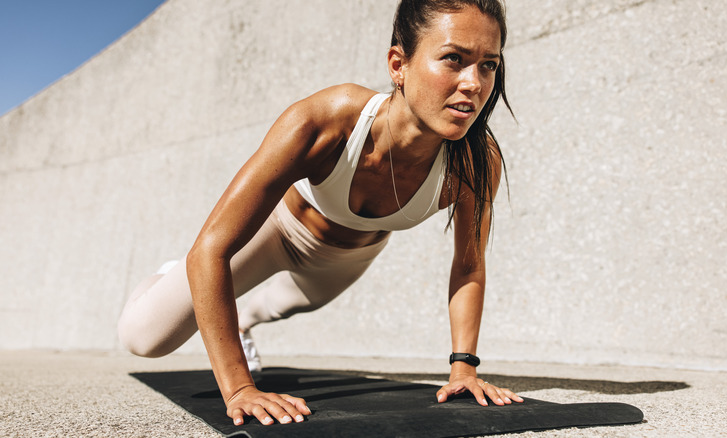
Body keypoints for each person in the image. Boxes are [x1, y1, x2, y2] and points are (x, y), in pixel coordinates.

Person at [118, 0, 523, 427]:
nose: (473, 83)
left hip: (347, 259)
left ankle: (243, 323)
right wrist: (239, 387)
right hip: (278, 233)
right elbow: (211, 249)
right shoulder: (326, 121)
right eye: (454, 59)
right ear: (398, 64)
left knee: (282, 307)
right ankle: (167, 278)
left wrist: (464, 368)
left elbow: (469, 266)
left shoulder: (475, 162)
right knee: (144, 338)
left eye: (488, 65)